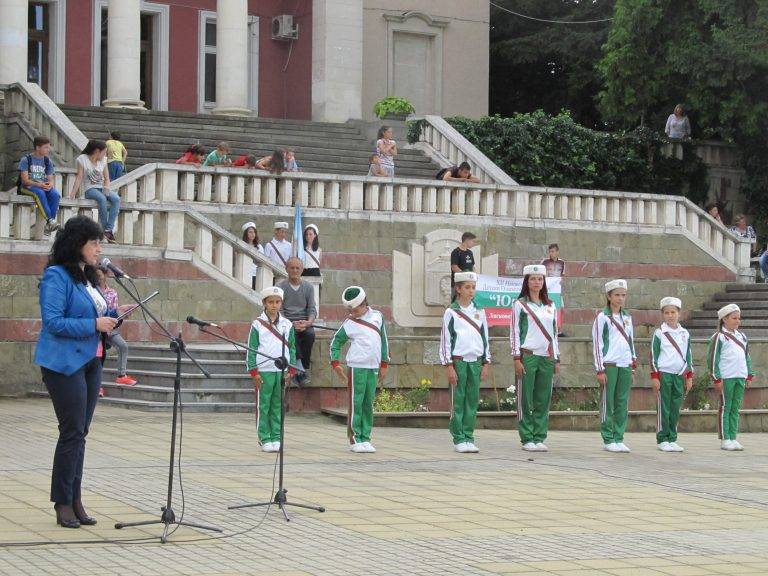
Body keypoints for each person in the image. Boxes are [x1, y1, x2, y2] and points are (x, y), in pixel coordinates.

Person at [34, 216, 119, 528]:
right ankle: (63, 502)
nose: (99, 248)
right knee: (71, 432)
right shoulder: (57, 276)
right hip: (63, 363)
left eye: (100, 242)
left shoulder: (88, 279)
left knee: (80, 433)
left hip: (91, 361)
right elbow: (53, 321)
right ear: (76, 244)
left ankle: (76, 497)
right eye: (93, 242)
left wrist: (110, 319)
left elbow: (95, 314)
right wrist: (94, 324)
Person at [330, 286, 389, 453]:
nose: (351, 313)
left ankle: (366, 437)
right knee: (356, 402)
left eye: (354, 310)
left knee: (368, 403)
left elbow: (384, 341)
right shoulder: (349, 323)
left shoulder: (378, 317)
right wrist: (335, 363)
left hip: (373, 366)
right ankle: (355, 438)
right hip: (357, 367)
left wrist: (384, 363)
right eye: (349, 310)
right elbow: (336, 342)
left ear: (364, 304)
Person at [510, 264, 560, 452]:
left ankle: (539, 435)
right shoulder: (520, 304)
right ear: (527, 281)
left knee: (543, 398)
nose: (537, 282)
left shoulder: (551, 305)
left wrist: (557, 358)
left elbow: (554, 333)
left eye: (540, 279)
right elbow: (514, 332)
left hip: (546, 356)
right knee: (525, 398)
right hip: (527, 355)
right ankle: (527, 437)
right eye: (533, 279)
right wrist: (516, 358)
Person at [439, 271, 491, 454]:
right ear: (458, 289)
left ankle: (469, 436)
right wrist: (449, 365)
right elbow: (445, 340)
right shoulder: (451, 312)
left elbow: (485, 337)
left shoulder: (480, 311)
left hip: (475, 361)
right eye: (467, 287)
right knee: (458, 400)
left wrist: (486, 362)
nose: (471, 291)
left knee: (472, 400)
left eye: (473, 287)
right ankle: (459, 437)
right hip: (459, 361)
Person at [247, 286, 297, 453]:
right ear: (264, 303)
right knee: (264, 405)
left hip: (281, 371)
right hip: (264, 371)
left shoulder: (287, 324)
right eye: (270, 302)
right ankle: (264, 437)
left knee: (278, 405)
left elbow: (292, 349)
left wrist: (291, 369)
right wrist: (253, 372)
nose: (274, 305)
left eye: (277, 302)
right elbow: (251, 349)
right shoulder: (257, 324)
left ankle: (276, 436)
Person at [592, 279, 636, 454]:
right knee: (607, 402)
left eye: (623, 295)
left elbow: (631, 341)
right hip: (609, 364)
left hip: (625, 364)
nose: (620, 298)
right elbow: (597, 344)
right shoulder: (602, 317)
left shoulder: (627, 317)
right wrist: (599, 369)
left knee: (622, 403)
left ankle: (619, 437)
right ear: (609, 296)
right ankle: (608, 438)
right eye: (617, 295)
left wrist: (632, 365)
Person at [707, 303, 754, 451]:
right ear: (724, 319)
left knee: (735, 407)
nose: (737, 321)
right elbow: (713, 359)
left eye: (739, 318)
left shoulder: (742, 336)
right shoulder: (719, 337)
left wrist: (749, 374)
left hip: (740, 375)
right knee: (725, 407)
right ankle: (725, 438)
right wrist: (716, 378)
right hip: (726, 377)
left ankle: (733, 437)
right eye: (734, 318)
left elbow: (747, 357)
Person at [650, 297, 693, 453]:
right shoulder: (659, 333)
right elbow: (653, 356)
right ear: (662, 314)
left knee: (675, 408)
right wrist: (655, 376)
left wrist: (689, 376)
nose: (670, 315)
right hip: (664, 374)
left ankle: (672, 438)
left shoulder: (685, 334)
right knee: (664, 407)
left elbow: (688, 355)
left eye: (673, 312)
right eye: (667, 312)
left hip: (679, 375)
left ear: (679, 313)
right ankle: (662, 438)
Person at [69, 140, 119, 244]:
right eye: (104, 152)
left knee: (116, 199)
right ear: (97, 151)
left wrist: (106, 188)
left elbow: (107, 178)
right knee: (101, 199)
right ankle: (105, 229)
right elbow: (79, 178)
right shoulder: (82, 159)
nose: (105, 155)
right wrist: (72, 194)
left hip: (101, 187)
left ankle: (108, 229)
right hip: (90, 189)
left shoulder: (104, 161)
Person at [96, 266, 138, 387]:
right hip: (97, 328)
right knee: (98, 354)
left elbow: (115, 311)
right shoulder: (92, 290)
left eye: (100, 275)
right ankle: (97, 386)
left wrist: (118, 317)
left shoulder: (112, 292)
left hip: (111, 328)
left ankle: (121, 375)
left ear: (105, 275)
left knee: (123, 346)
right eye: (96, 275)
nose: (98, 277)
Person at [277, 258, 317, 384]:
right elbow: (280, 310)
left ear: (302, 270)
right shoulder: (280, 287)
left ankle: (303, 367)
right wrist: (289, 323)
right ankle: (299, 369)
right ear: (286, 269)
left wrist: (308, 322)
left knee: (310, 335)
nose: (295, 270)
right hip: (286, 322)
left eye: (297, 268)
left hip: (304, 322)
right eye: (292, 268)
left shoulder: (308, 287)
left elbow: (312, 309)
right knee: (291, 334)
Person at [17, 136, 60, 234]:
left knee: (55, 195)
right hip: (28, 187)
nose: (48, 150)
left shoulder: (47, 161)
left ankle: (49, 225)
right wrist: (39, 185)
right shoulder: (26, 160)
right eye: (46, 147)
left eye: (49, 147)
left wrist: (50, 184)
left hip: (42, 186)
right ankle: (50, 220)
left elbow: (50, 178)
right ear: (37, 147)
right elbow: (25, 180)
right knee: (40, 194)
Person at [450, 232, 477, 297]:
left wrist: (474, 276)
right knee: (457, 303)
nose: (473, 243)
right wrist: (466, 275)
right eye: (472, 241)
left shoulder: (470, 252)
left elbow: (472, 266)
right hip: (458, 284)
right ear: (467, 240)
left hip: (469, 284)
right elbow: (454, 267)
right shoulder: (456, 252)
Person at [241, 221, 264, 290]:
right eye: (250, 232)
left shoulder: (259, 247)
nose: (252, 234)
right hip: (245, 274)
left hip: (256, 274)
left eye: (254, 232)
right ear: (246, 234)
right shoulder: (242, 245)